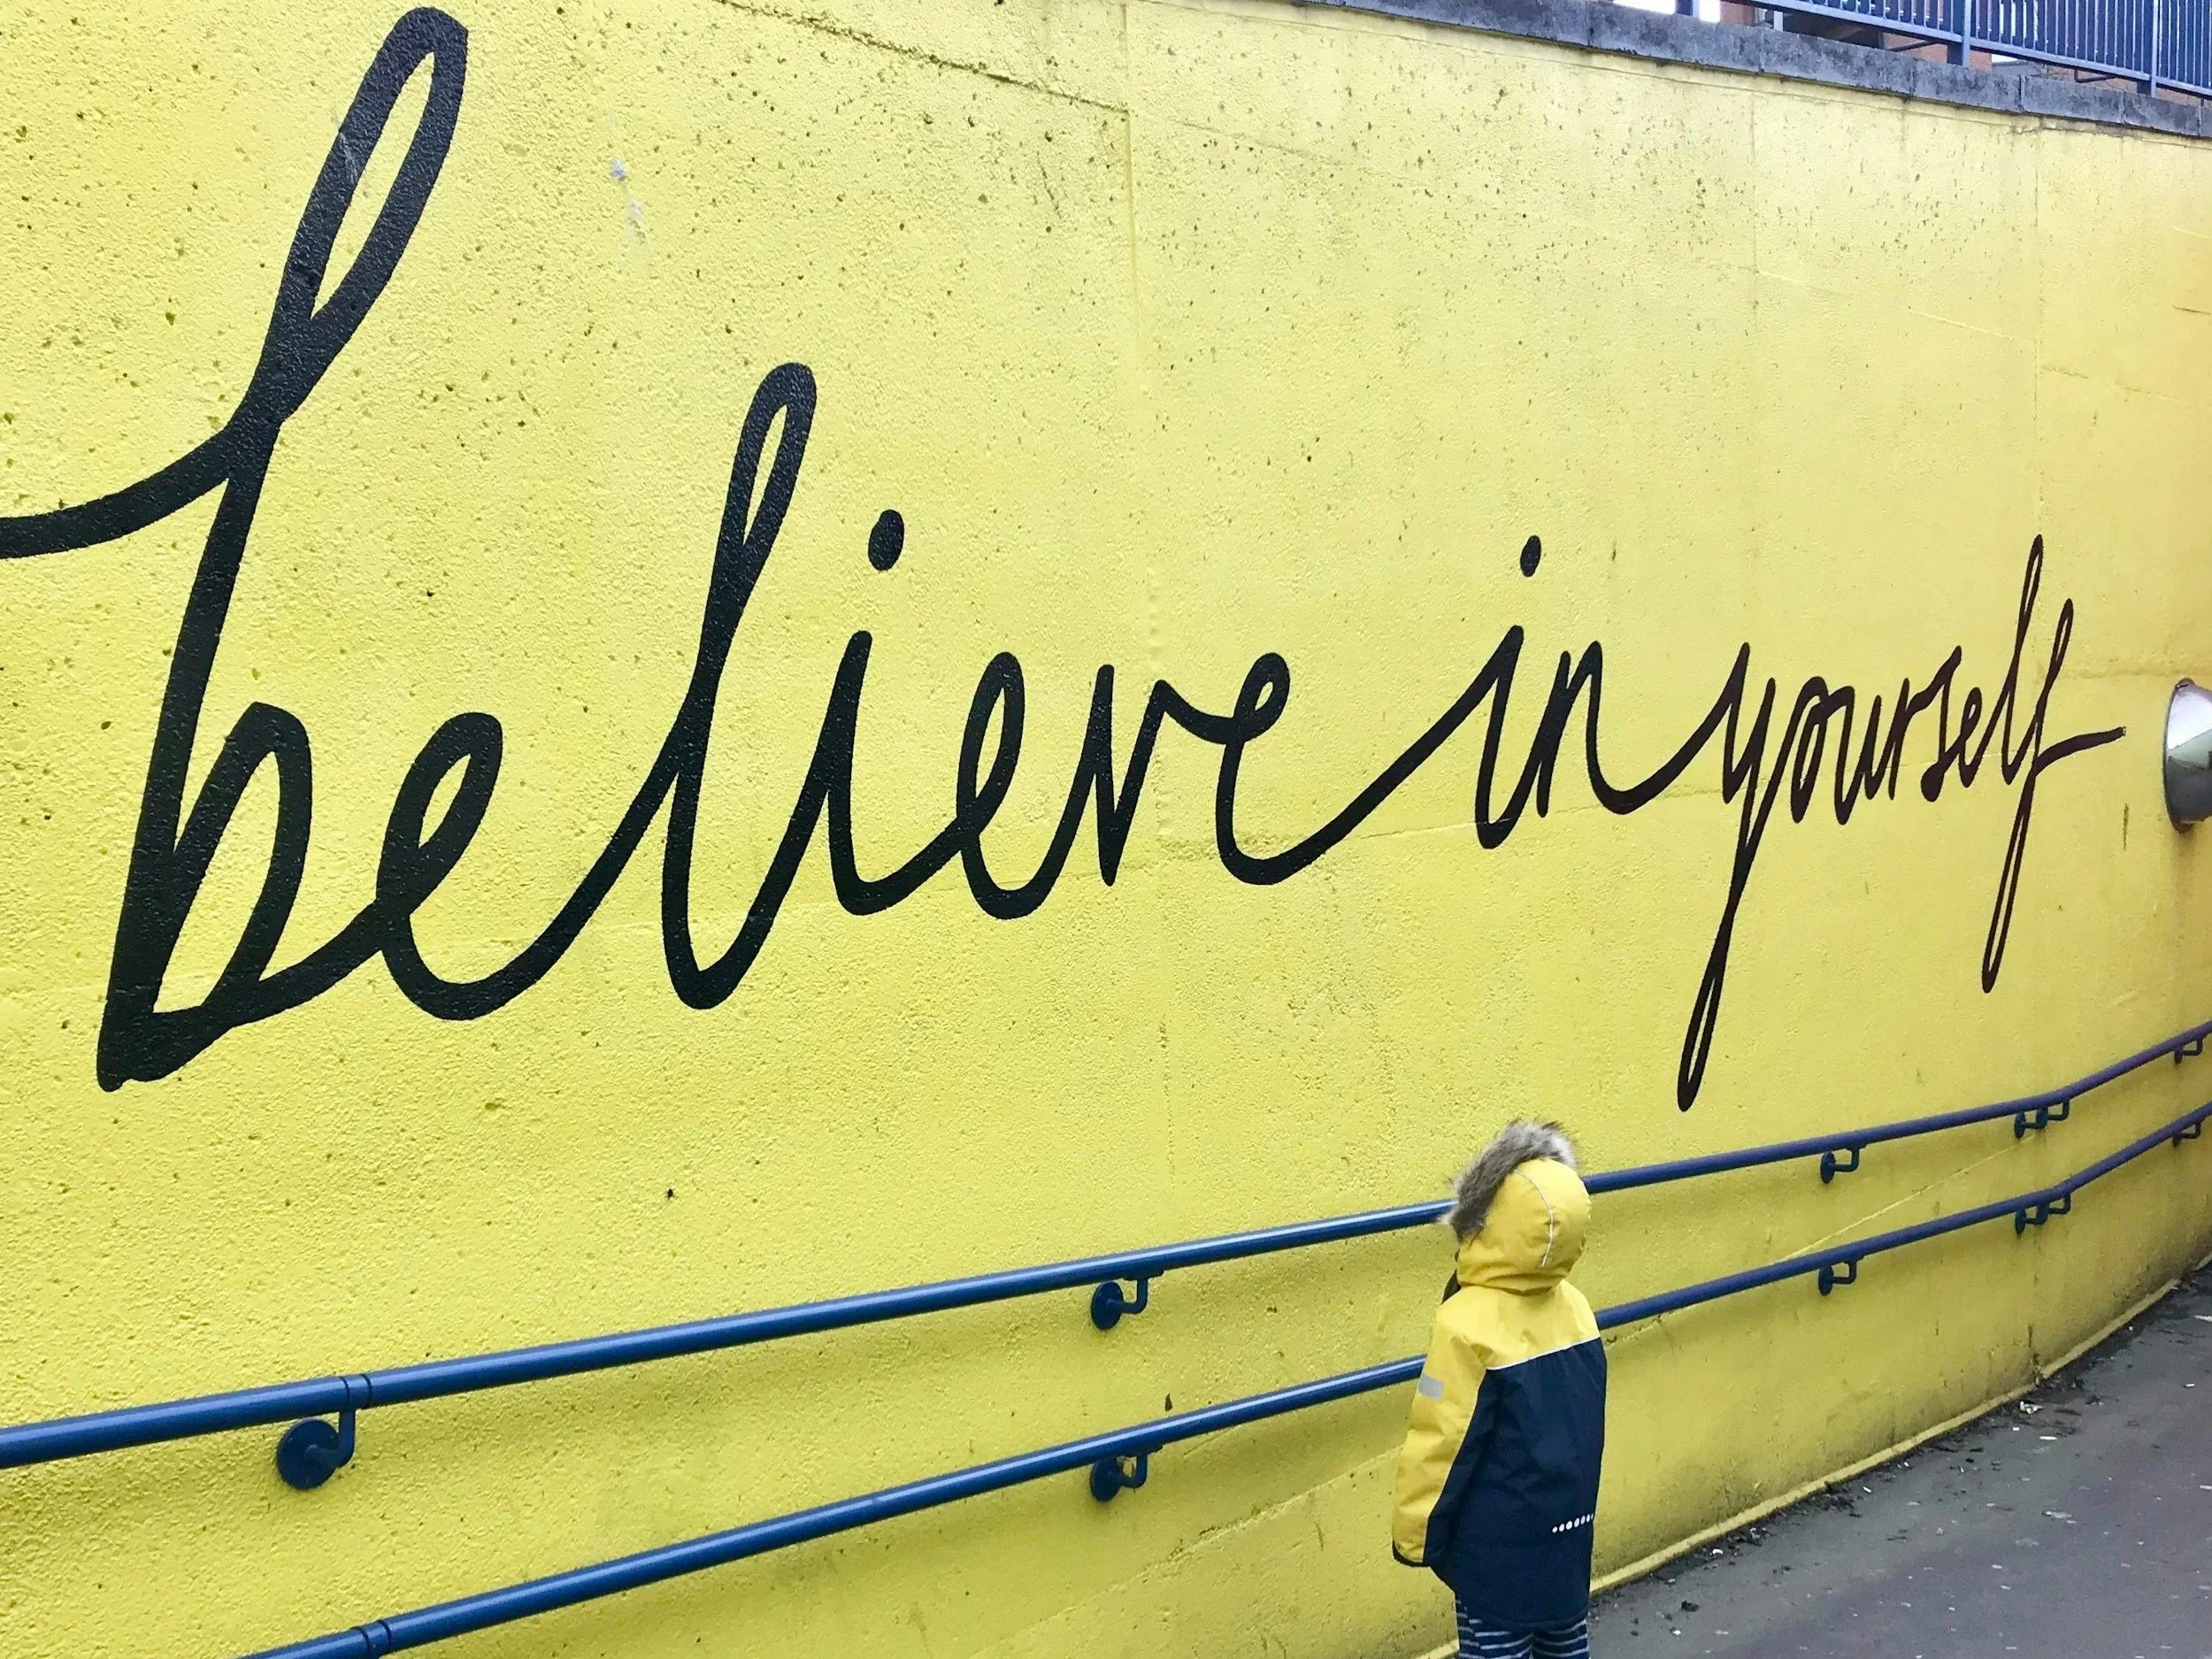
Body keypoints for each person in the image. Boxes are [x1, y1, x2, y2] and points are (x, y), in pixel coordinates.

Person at [1391, 1120, 1607, 1659]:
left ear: (1481, 1221)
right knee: (1564, 1646)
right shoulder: (1576, 1308)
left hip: (1495, 1557)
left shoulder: (1465, 1322)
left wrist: (1415, 1535)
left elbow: (1442, 1440)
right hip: (1566, 1544)